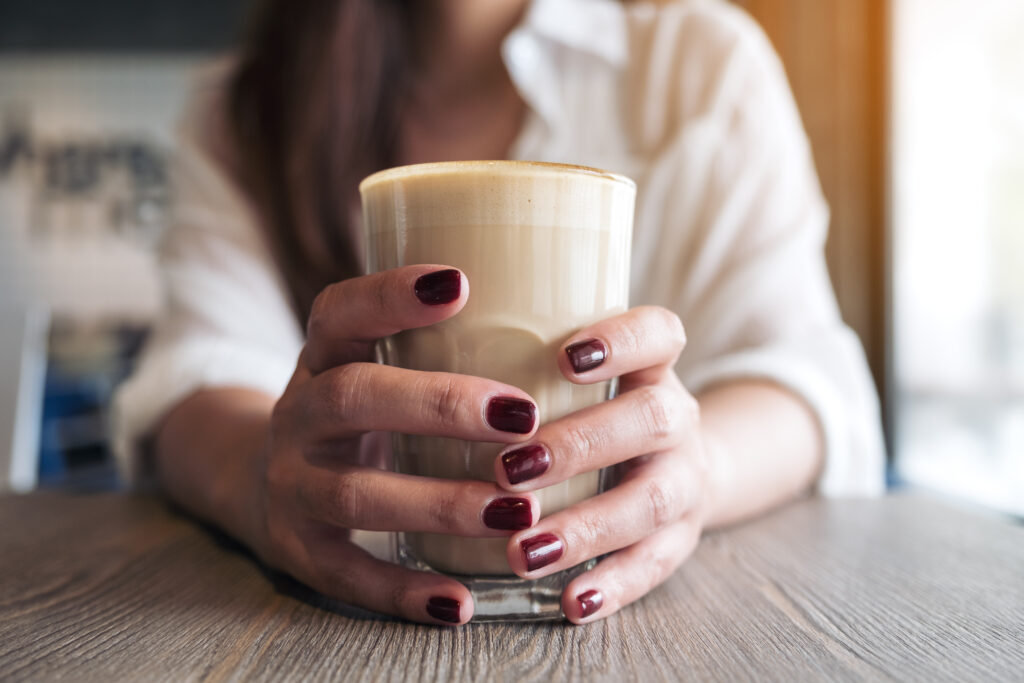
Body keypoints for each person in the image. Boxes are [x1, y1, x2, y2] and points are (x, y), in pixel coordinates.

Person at [115, 0, 885, 626]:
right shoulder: (243, 112)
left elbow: (804, 377)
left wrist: (693, 472)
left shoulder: (701, 66)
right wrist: (265, 475)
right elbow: (199, 373)